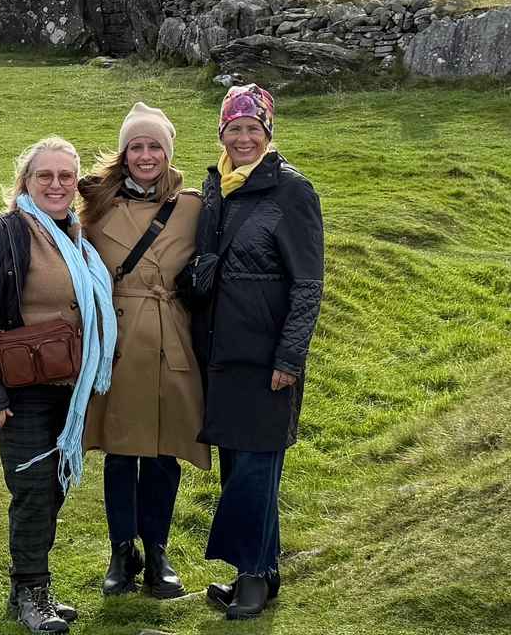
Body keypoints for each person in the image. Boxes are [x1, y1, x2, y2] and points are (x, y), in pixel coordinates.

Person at [0, 136, 118, 634]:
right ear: (26, 181)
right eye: (44, 175)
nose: (55, 184)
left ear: (76, 185)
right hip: (21, 391)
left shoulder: (76, 238)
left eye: (65, 176)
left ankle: (26, 589)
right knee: (32, 491)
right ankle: (33, 593)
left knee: (51, 489)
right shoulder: (6, 234)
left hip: (69, 390)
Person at [190, 84, 324, 621]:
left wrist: (289, 359)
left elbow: (308, 284)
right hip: (221, 355)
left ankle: (250, 574)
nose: (243, 137)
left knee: (256, 471)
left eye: (253, 128)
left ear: (269, 133)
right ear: (222, 133)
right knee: (236, 467)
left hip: (268, 361)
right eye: (234, 128)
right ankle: (263, 574)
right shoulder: (217, 187)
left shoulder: (293, 192)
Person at [79, 103, 208, 599]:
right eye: (137, 145)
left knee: (162, 454)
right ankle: (121, 552)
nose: (146, 155)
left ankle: (157, 552)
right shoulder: (95, 205)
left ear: (168, 151)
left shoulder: (195, 206)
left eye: (155, 145)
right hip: (120, 342)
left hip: (172, 338)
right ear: (124, 152)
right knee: (120, 452)